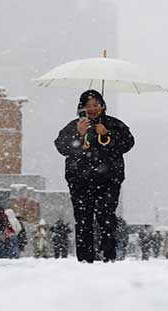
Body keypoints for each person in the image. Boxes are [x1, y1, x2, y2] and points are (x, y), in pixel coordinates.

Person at [55, 90, 135, 263]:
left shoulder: (114, 124)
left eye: (96, 105)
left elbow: (128, 143)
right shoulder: (74, 125)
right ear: (81, 107)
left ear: (103, 106)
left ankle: (108, 255)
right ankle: (85, 258)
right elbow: (61, 147)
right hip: (79, 181)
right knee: (83, 219)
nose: (92, 109)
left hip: (108, 180)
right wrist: (78, 133)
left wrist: (107, 134)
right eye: (88, 105)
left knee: (107, 217)